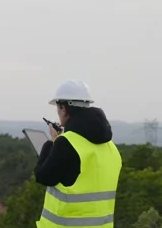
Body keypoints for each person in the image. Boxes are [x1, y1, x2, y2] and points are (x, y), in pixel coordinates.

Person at [34, 79, 122, 228]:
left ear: (63, 108)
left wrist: (52, 142)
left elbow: (42, 176)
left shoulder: (66, 143)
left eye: (57, 107)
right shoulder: (111, 147)